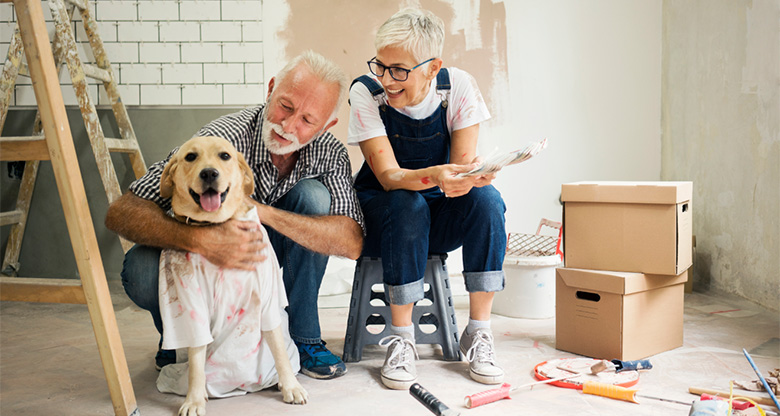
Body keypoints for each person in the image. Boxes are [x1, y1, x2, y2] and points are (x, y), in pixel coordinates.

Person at [105, 50, 364, 380]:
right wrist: (199, 240)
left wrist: (261, 212)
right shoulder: (222, 138)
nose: (288, 125)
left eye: (307, 120)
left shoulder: (329, 152)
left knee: (313, 197)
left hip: (267, 251)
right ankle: (176, 336)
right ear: (270, 89)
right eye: (285, 105)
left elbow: (351, 241)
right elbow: (122, 211)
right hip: (198, 255)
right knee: (140, 270)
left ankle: (304, 338)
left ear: (327, 125)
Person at [347, 8, 507, 390]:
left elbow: (461, 167)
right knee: (407, 203)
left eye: (399, 70)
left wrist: (473, 176)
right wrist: (436, 176)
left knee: (487, 201)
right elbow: (388, 177)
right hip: (385, 218)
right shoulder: (366, 93)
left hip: (438, 215)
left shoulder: (458, 88)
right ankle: (402, 340)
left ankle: (479, 333)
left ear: (433, 67)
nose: (387, 79)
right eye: (380, 66)